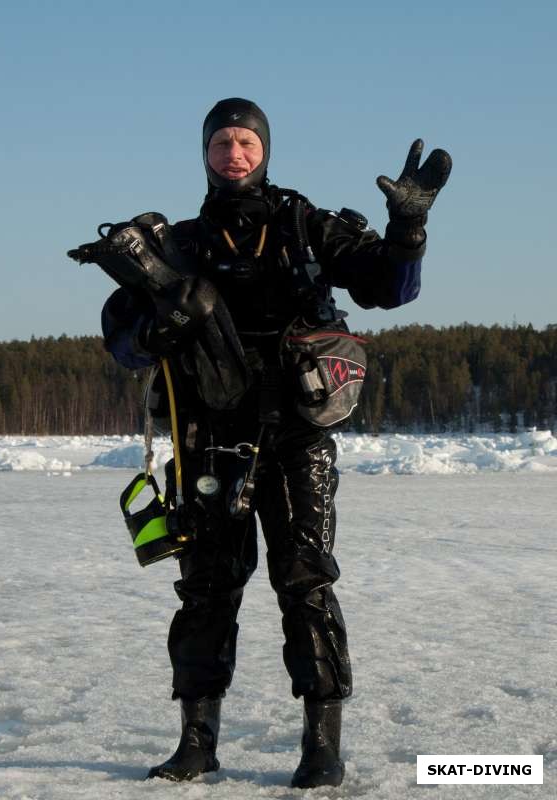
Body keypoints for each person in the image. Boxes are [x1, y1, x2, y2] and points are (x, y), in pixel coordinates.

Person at [100, 98, 451, 787]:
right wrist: (153, 331)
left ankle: (321, 743)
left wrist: (408, 226)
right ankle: (196, 741)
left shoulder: (303, 224)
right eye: (222, 142)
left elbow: (392, 288)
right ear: (204, 153)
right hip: (208, 437)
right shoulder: (181, 245)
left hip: (295, 435)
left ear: (265, 151)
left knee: (306, 581)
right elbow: (121, 338)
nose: (235, 153)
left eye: (246, 142)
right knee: (206, 589)